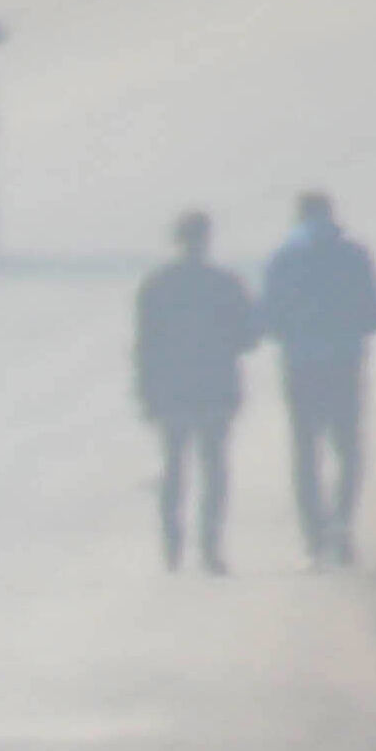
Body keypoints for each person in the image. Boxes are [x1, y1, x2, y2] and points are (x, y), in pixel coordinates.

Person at [261, 190, 376, 567]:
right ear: (331, 215)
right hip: (344, 364)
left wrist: (296, 332)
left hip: (301, 366)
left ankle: (314, 535)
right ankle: (342, 524)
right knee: (348, 449)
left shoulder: (284, 258)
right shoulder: (353, 256)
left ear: (298, 217)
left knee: (305, 452)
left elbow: (268, 319)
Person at [133, 210, 262, 578]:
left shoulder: (157, 285)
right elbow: (248, 338)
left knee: (174, 470)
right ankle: (210, 548)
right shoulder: (226, 284)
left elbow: (145, 345)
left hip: (171, 392)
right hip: (215, 389)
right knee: (214, 470)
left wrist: (146, 394)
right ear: (207, 239)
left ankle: (172, 548)